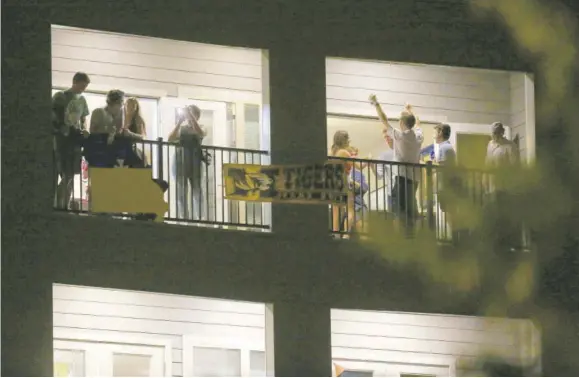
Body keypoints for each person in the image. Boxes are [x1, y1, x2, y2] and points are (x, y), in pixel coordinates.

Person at [369, 94, 424, 231]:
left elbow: (384, 120)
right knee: (410, 210)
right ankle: (410, 238)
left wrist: (376, 103)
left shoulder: (400, 136)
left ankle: (401, 238)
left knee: (399, 212)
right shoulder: (418, 137)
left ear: (401, 123)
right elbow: (418, 123)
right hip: (414, 180)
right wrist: (411, 110)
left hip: (402, 179)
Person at [52, 72, 91, 210]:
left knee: (70, 174)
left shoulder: (82, 100)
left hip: (75, 140)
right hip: (62, 140)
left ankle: (64, 204)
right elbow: (54, 117)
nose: (84, 88)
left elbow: (83, 119)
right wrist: (61, 129)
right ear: (75, 82)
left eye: (85, 86)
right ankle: (57, 203)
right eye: (82, 85)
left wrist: (84, 129)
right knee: (60, 171)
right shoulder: (60, 96)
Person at [169, 104, 211, 221]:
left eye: (192, 113)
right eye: (188, 113)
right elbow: (170, 138)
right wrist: (179, 122)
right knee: (181, 190)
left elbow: (200, 133)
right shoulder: (181, 128)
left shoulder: (202, 126)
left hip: (195, 161)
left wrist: (192, 118)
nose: (188, 115)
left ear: (197, 115)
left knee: (197, 189)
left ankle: (201, 218)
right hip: (180, 161)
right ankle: (184, 217)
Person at [84, 89, 125, 168]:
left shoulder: (117, 114)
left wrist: (119, 117)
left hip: (110, 152)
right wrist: (107, 133)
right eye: (121, 103)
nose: (121, 106)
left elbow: (119, 131)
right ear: (116, 102)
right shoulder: (99, 112)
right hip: (99, 150)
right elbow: (92, 130)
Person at [329, 130, 355, 236]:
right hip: (343, 182)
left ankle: (335, 233)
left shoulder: (331, 152)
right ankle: (346, 234)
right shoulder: (344, 152)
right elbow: (354, 165)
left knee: (335, 209)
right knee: (349, 208)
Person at [347, 147, 369, 235]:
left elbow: (365, 188)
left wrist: (356, 184)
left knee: (365, 227)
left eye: (355, 154)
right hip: (349, 205)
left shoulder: (360, 174)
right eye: (352, 154)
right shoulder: (345, 171)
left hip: (360, 204)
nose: (354, 157)